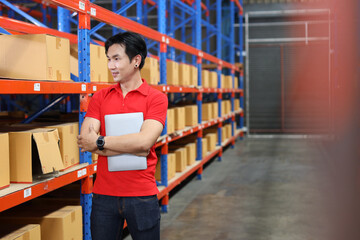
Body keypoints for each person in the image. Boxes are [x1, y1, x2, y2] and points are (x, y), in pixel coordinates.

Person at [77, 31, 168, 240]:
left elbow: (145, 142)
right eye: (109, 59)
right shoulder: (100, 97)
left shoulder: (156, 99)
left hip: (142, 195)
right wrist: (131, 144)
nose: (111, 66)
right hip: (103, 196)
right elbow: (85, 141)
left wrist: (100, 142)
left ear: (136, 60)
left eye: (116, 59)